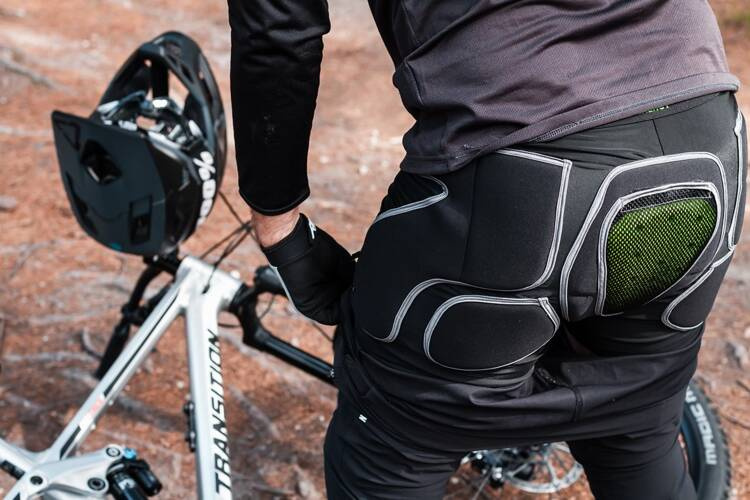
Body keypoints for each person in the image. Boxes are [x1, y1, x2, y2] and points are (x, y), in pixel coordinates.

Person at [227, 1, 745, 498]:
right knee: (638, 425)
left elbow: (277, 31)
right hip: (706, 145)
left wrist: (280, 227)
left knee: (395, 442)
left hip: (520, 180)